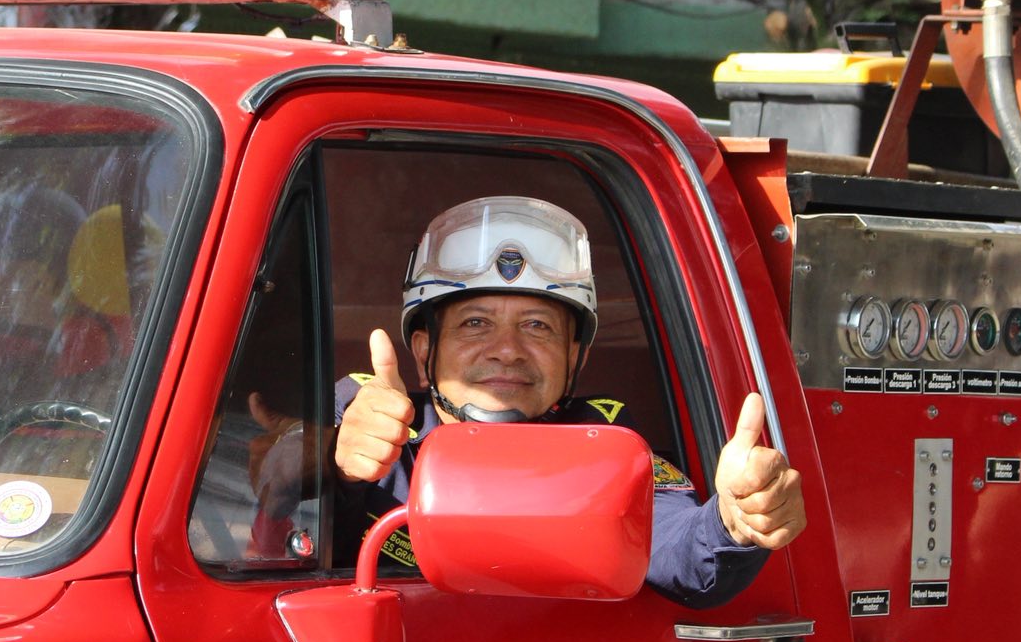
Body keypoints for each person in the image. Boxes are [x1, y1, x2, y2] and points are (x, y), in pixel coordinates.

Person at [332, 196, 805, 607]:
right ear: (423, 352)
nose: (507, 350)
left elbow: (675, 548)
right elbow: (290, 499)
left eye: (537, 326)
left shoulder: (605, 446)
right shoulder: (365, 417)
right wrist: (335, 466)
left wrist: (733, 522)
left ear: (574, 357)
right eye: (476, 323)